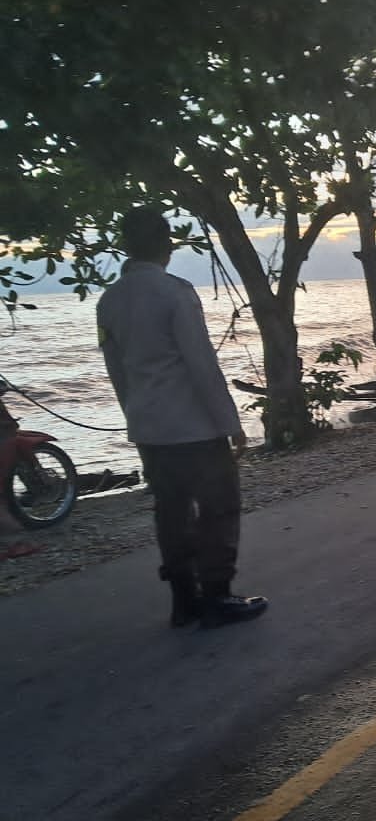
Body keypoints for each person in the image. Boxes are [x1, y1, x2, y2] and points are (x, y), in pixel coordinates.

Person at [97, 207, 268, 629]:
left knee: (170, 512)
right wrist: (230, 422)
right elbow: (201, 365)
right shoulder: (175, 292)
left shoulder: (109, 300)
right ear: (167, 246)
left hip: (150, 429)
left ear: (126, 246)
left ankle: (183, 598)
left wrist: (135, 417)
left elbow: (116, 371)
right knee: (218, 509)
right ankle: (217, 596)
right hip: (194, 427)